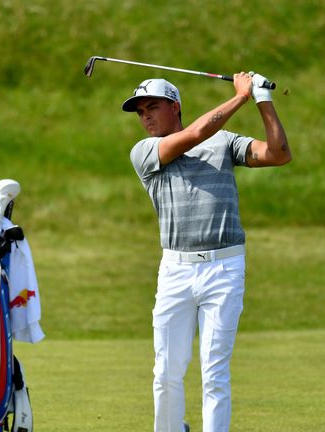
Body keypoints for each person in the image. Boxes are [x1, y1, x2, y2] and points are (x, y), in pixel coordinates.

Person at [122, 73, 291, 432]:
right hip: (175, 271)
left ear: (175, 107)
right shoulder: (145, 152)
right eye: (140, 112)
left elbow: (279, 154)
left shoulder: (225, 143)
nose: (145, 117)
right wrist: (240, 97)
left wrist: (262, 99)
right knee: (166, 371)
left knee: (215, 371)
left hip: (225, 267)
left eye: (152, 107)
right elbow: (196, 133)